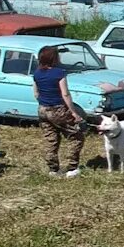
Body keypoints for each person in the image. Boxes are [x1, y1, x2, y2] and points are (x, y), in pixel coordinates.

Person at [32, 44, 86, 177]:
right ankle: (72, 168)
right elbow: (65, 94)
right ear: (54, 58)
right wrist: (74, 112)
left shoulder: (37, 73)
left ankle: (53, 169)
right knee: (76, 136)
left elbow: (36, 93)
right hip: (58, 109)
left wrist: (43, 103)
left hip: (43, 110)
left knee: (51, 139)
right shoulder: (59, 73)